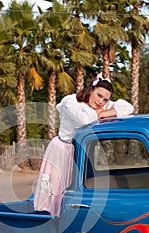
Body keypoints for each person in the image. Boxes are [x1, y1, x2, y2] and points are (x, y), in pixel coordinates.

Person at [33, 73, 134, 217]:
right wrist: (101, 113)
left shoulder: (102, 106)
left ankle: (67, 218)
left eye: (105, 99)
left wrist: (105, 112)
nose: (101, 102)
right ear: (91, 90)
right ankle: (50, 219)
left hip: (82, 152)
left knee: (76, 189)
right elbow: (84, 120)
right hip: (62, 149)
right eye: (99, 95)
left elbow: (128, 108)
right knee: (56, 187)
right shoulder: (71, 101)